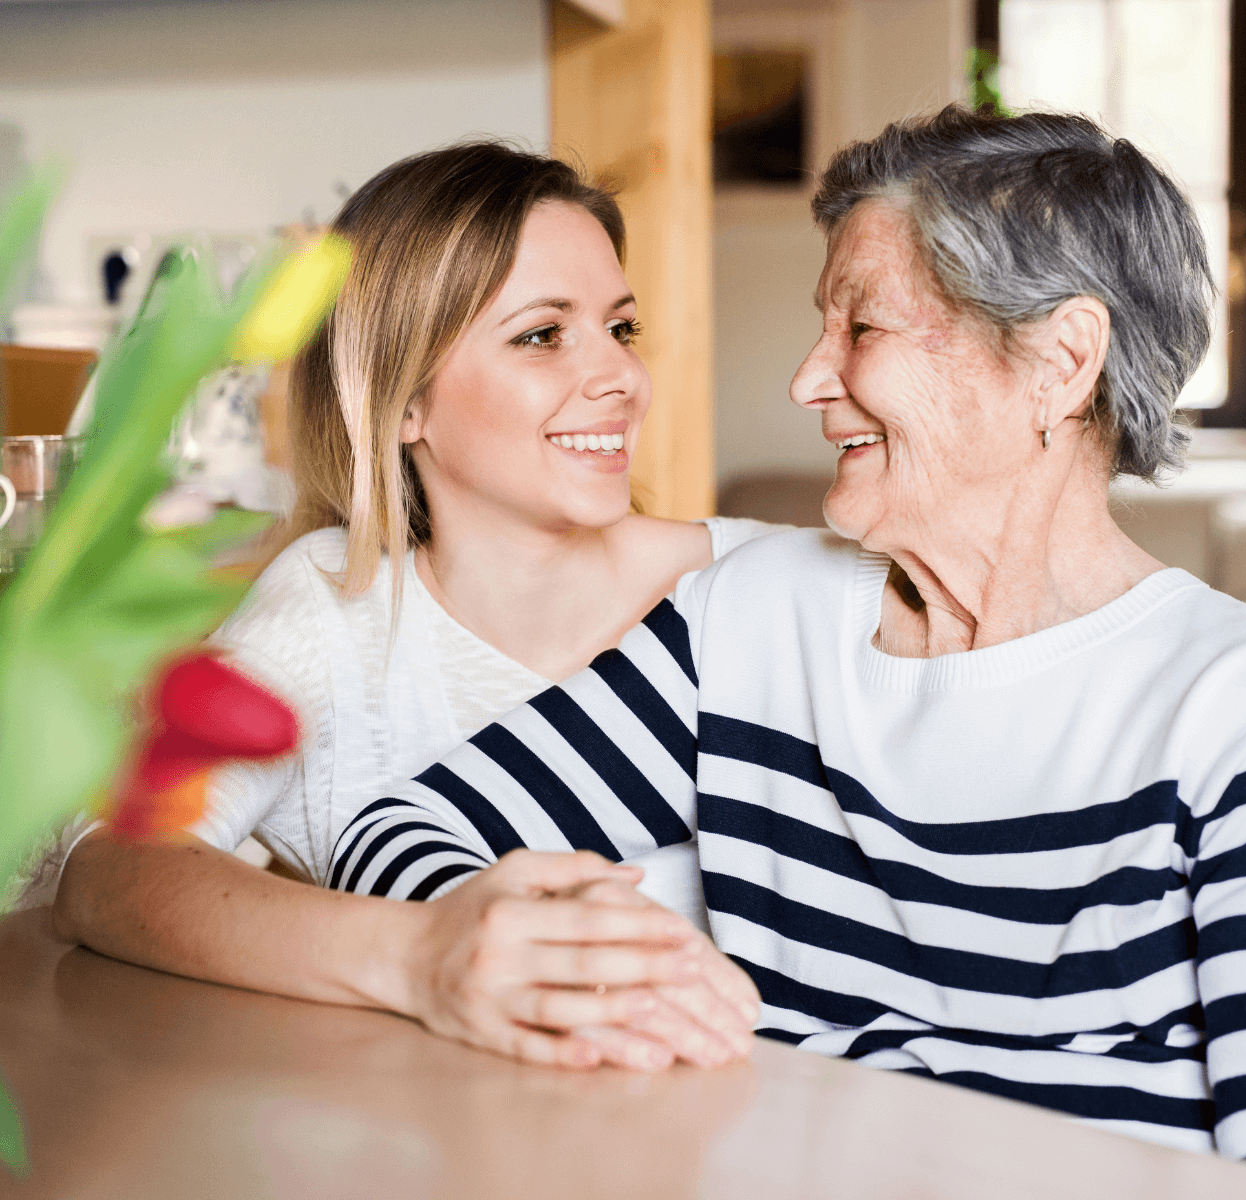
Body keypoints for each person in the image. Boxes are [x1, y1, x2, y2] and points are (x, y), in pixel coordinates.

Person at [332, 109, 1246, 1195]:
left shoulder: (1234, 707)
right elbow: (400, 830)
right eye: (820, 326)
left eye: (864, 329)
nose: (807, 380)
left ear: (1059, 361)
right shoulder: (747, 621)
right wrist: (542, 952)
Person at [48, 143, 762, 1074]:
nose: (622, 378)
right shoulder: (332, 611)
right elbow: (103, 869)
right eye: (543, 335)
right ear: (404, 400)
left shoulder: (757, 589)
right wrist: (422, 957)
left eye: (620, 329)